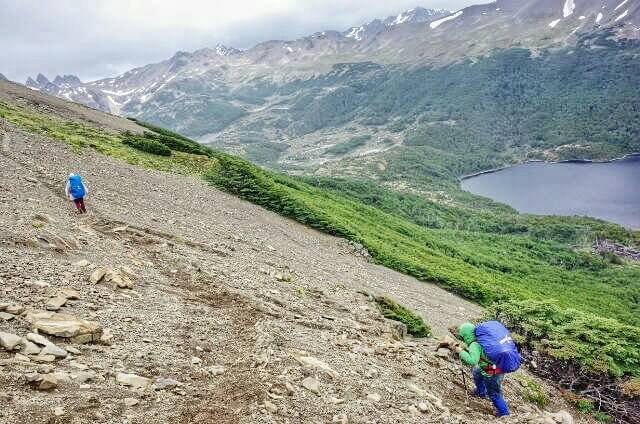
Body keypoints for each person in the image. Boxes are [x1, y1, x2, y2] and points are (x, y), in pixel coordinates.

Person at [455, 322, 510, 417]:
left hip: (492, 372)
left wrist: (461, 352)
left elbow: (473, 361)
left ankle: (504, 413)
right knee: (477, 372)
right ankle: (481, 392)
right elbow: (480, 354)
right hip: (497, 368)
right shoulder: (482, 340)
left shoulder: (474, 345)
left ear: (465, 335)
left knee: (494, 393)